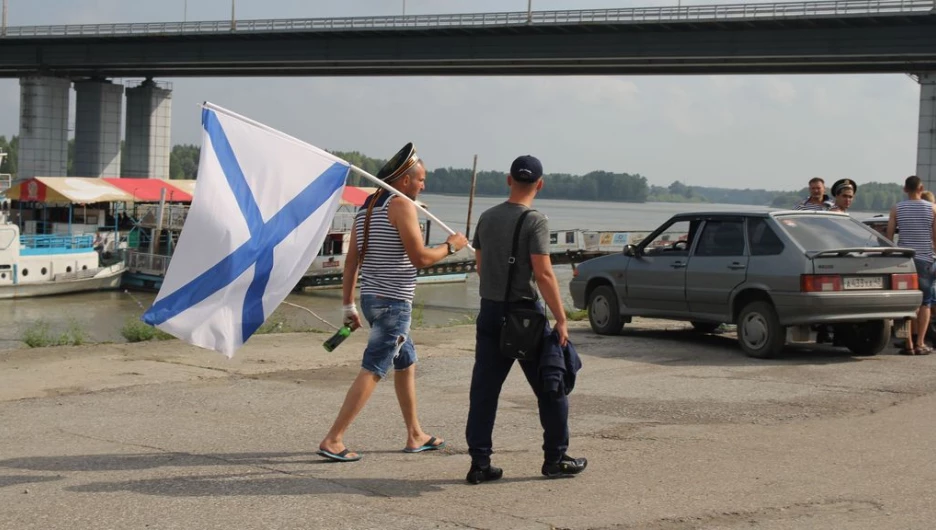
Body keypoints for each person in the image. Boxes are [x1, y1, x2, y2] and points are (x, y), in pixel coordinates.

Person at [317, 142, 469, 462]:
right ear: (404, 181)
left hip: (373, 299)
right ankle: (334, 438)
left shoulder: (367, 208)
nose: (423, 184)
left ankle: (415, 434)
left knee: (406, 363)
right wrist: (452, 246)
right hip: (393, 304)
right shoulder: (401, 206)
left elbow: (352, 262)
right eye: (421, 179)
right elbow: (420, 258)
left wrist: (349, 306)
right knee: (374, 368)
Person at [465, 154, 586, 484]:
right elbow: (544, 273)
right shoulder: (535, 221)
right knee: (551, 387)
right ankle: (555, 458)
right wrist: (561, 319)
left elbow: (480, 264)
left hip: (490, 312)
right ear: (540, 184)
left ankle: (479, 463)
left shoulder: (487, 218)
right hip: (525, 318)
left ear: (508, 180)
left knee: (484, 393)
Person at [887, 175, 936, 355]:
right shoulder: (932, 208)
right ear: (921, 188)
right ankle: (921, 343)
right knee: (925, 303)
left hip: (904, 260)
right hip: (925, 259)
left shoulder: (897, 209)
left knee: (907, 302)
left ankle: (908, 344)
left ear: (905, 189)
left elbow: (890, 236)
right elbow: (935, 238)